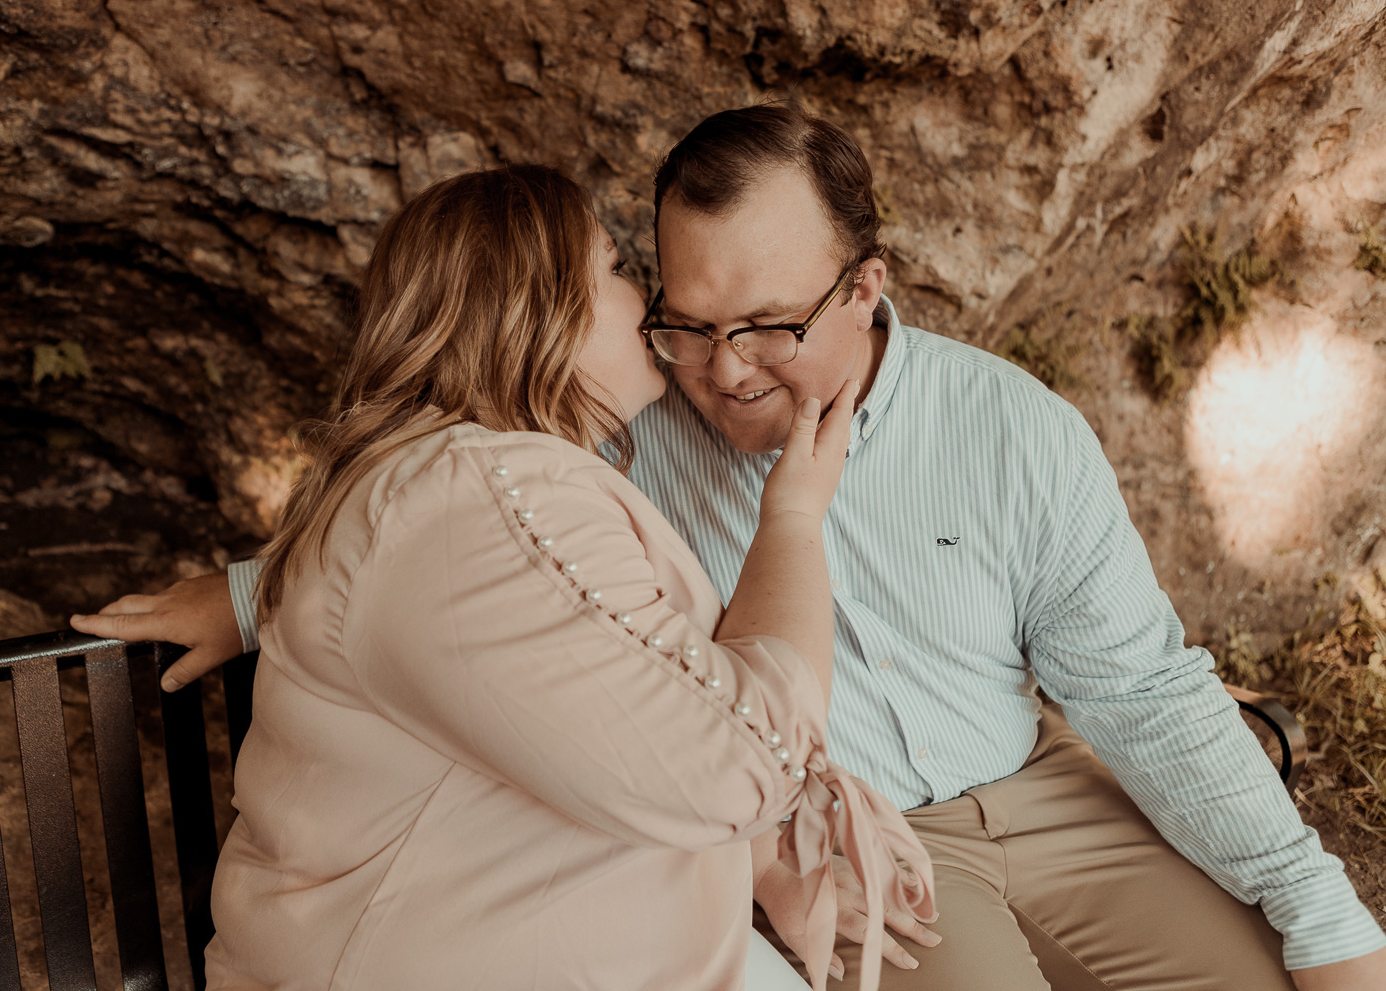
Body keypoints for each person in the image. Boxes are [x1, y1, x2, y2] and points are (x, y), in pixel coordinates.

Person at [77, 106, 1386, 990]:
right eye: (686, 322)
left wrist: (1318, 906)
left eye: (765, 326)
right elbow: (461, 540)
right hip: (856, 834)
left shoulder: (1011, 428)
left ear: (867, 287)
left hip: (1040, 784)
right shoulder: (621, 434)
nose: (720, 370)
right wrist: (258, 590)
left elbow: (1145, 690)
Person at [155, 163, 935, 991]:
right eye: (615, 269)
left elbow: (587, 708)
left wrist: (760, 870)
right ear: (536, 312)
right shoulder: (477, 494)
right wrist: (793, 521)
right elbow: (740, 765)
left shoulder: (450, 488)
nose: (649, 306)